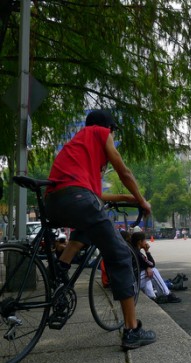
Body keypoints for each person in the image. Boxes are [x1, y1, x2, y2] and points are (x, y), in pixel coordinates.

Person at [44, 109, 156, 350]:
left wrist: (129, 198)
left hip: (54, 202)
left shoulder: (77, 146)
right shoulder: (99, 132)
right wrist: (142, 199)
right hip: (78, 198)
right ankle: (131, 329)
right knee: (121, 254)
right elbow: (124, 171)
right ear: (109, 128)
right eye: (113, 132)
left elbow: (96, 196)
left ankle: (61, 269)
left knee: (89, 224)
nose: (112, 136)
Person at [130, 231, 181, 304]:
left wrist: (147, 267)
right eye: (144, 240)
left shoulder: (134, 250)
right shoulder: (137, 253)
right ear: (139, 242)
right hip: (134, 281)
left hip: (132, 280)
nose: (145, 242)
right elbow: (152, 264)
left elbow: (147, 264)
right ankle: (167, 294)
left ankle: (152, 297)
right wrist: (147, 251)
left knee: (148, 273)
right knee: (153, 271)